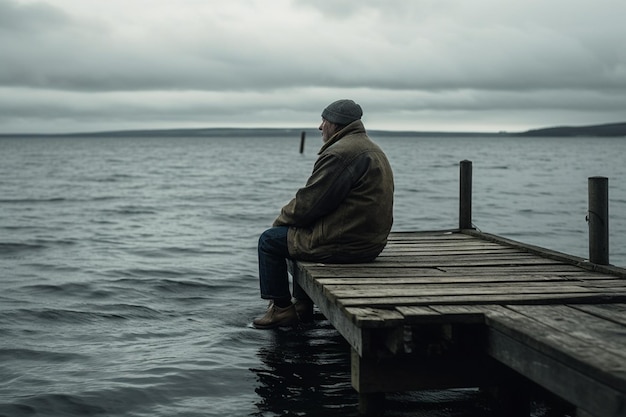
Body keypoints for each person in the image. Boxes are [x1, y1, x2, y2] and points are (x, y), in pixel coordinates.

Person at [252, 99, 394, 329]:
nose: (320, 127)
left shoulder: (341, 154)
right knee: (293, 234)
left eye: (324, 121)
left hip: (346, 245)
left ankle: (281, 310)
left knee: (270, 240)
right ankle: (302, 304)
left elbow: (309, 203)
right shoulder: (371, 148)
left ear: (336, 125)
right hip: (370, 243)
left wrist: (280, 223)